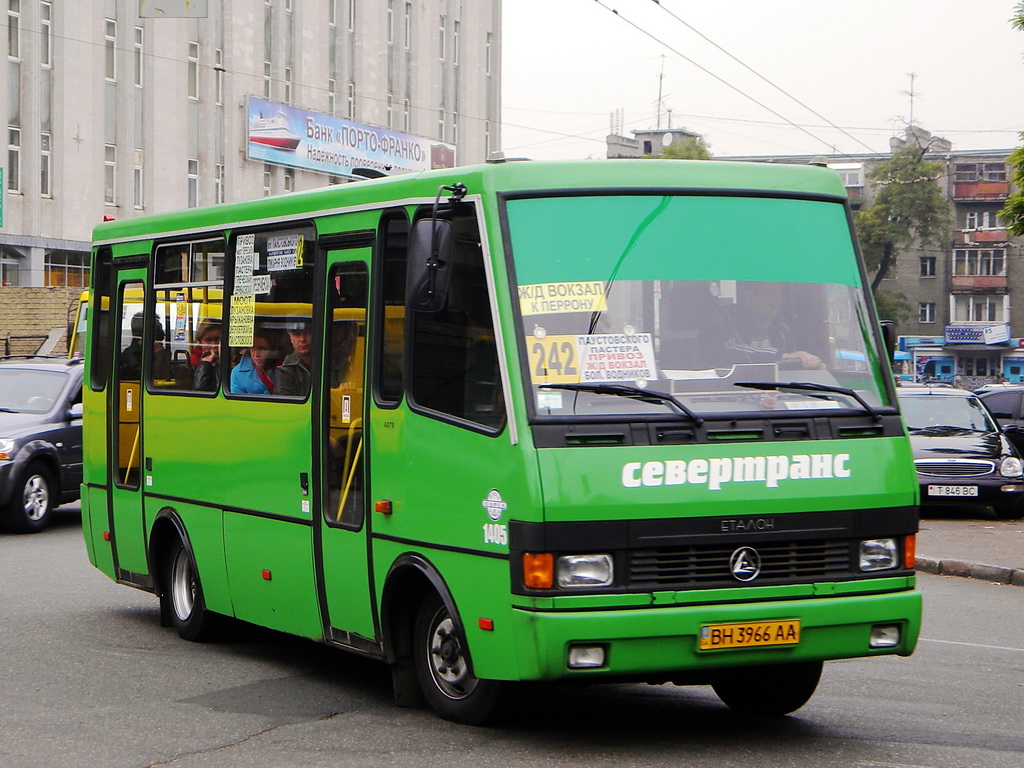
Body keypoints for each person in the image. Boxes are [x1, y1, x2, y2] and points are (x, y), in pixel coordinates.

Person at [120, 312, 171, 381]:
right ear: (148, 332)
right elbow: (155, 377)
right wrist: (161, 355)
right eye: (159, 330)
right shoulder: (131, 356)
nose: (163, 334)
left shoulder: (150, 352)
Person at [230, 328, 280, 395]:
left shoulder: (285, 366)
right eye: (252, 348)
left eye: (261, 349)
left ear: (272, 349)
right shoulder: (238, 373)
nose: (256, 354)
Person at [275, 319, 313, 396]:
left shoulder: (332, 363)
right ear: (290, 338)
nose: (302, 339)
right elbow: (287, 404)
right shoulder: (284, 371)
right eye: (297, 334)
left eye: (307, 333)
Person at [190, 318, 222, 391]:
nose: (213, 345)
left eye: (217, 340)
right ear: (200, 342)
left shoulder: (231, 361)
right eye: (208, 340)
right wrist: (205, 364)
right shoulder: (193, 361)